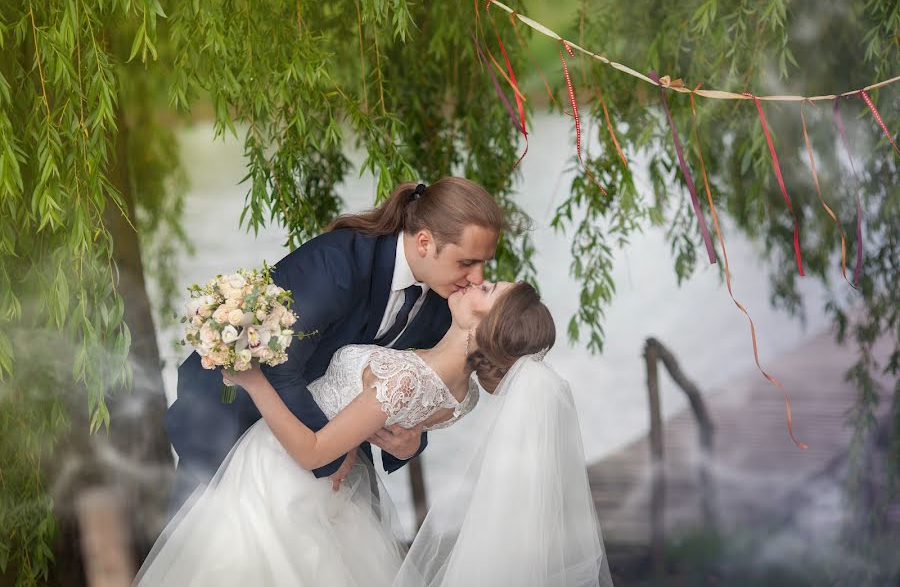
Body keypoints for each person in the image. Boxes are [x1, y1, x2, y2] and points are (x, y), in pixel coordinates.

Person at [136, 281, 612, 586]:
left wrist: (253, 379)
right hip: (333, 497)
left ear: (483, 324)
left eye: (486, 288)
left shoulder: (405, 377)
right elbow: (369, 431)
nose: (473, 280)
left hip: (281, 478)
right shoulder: (459, 394)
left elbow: (313, 451)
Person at [164, 178, 504, 513]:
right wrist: (329, 458)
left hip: (325, 445)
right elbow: (279, 366)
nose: (477, 277)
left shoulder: (443, 304)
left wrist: (410, 442)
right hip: (233, 419)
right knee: (204, 547)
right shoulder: (338, 263)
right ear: (425, 242)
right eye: (466, 262)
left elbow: (416, 382)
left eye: (484, 263)